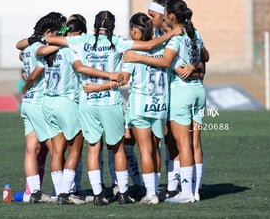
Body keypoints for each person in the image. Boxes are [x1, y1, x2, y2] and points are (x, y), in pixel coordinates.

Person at [44, 10, 181, 206]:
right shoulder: (117, 42)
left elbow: (51, 38)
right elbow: (150, 45)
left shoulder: (83, 40)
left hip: (88, 102)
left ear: (94, 25)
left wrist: (65, 27)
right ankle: (123, 192)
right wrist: (170, 34)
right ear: (113, 27)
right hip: (110, 102)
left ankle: (99, 194)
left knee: (93, 148)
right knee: (117, 149)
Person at [124, 0, 207, 203]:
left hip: (180, 93)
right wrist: (194, 65)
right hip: (199, 92)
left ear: (169, 16)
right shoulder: (194, 33)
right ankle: (194, 190)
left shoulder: (174, 38)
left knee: (182, 145)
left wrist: (137, 58)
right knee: (193, 143)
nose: (152, 19)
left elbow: (166, 62)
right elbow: (205, 55)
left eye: (154, 15)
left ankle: (185, 193)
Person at [35, 16, 123, 205]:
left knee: (57, 151)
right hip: (67, 102)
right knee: (75, 150)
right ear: (79, 34)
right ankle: (66, 193)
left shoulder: (49, 51)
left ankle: (58, 192)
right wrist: (110, 76)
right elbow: (81, 68)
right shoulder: (71, 49)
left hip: (48, 103)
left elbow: (36, 51)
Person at [122, 12, 171, 204]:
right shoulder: (162, 47)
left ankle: (150, 193)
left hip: (140, 106)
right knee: (156, 149)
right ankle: (156, 189)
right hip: (160, 105)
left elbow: (124, 79)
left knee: (145, 150)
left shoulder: (132, 52)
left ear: (135, 30)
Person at [19, 12, 66, 203]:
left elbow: (20, 49)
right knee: (55, 148)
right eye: (59, 31)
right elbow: (39, 67)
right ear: (48, 32)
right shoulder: (40, 48)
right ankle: (62, 191)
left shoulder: (29, 46)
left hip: (27, 104)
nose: (61, 35)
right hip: (38, 103)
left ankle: (33, 193)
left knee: (32, 149)